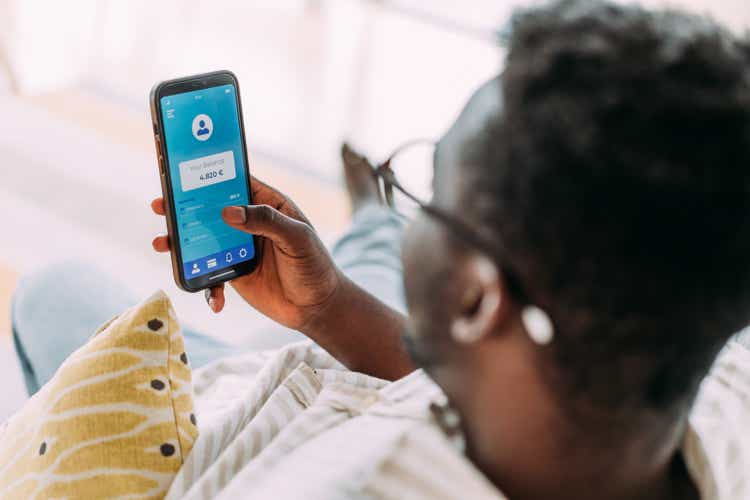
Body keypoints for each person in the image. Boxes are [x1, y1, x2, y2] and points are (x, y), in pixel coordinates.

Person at [11, 0, 750, 498]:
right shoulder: (705, 390)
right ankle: (372, 219)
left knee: (50, 294)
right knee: (364, 261)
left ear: (478, 300)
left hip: (225, 419)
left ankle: (373, 218)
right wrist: (328, 306)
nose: (427, 210)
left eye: (430, 194)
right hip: (358, 367)